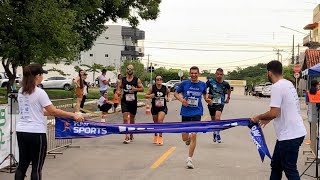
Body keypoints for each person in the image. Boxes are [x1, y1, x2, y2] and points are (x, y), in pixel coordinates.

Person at [15, 64, 84, 180]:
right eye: (42, 74)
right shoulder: (39, 92)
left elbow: (40, 111)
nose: (42, 77)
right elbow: (53, 111)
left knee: (22, 165)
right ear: (37, 76)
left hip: (22, 131)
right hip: (36, 133)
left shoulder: (21, 91)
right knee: (36, 167)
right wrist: (73, 115)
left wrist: (67, 115)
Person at [251, 60, 306, 180]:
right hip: (291, 134)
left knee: (289, 169)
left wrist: (258, 117)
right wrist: (269, 118)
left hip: (290, 135)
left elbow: (273, 113)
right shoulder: (288, 83)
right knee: (276, 165)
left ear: (269, 73)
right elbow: (284, 107)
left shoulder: (276, 87)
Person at [174, 66, 211, 169]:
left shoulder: (202, 85)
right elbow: (175, 93)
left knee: (194, 134)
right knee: (184, 138)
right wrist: (182, 100)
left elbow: (205, 95)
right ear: (190, 74)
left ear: (198, 74)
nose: (194, 75)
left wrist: (207, 100)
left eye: (195, 73)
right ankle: (188, 137)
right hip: (185, 112)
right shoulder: (184, 83)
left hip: (197, 112)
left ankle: (189, 159)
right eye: (192, 73)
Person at [117, 64, 144, 144]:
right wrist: (118, 92)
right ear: (126, 70)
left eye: (131, 69)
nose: (129, 70)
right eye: (128, 69)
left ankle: (131, 133)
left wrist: (135, 89)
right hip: (124, 101)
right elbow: (119, 87)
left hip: (133, 101)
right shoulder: (123, 79)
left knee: (132, 119)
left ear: (133, 71)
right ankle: (126, 136)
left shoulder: (136, 80)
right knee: (125, 119)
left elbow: (142, 89)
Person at [206, 68, 231, 143]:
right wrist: (207, 96)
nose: (219, 76)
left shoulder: (225, 84)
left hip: (220, 102)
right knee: (213, 120)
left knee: (217, 118)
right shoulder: (210, 81)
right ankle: (214, 131)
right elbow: (204, 89)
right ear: (215, 74)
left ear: (223, 75)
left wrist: (228, 98)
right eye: (218, 74)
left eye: (221, 74)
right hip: (211, 103)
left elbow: (229, 89)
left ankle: (218, 133)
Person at [145, 75, 170, 145]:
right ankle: (155, 135)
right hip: (155, 107)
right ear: (155, 81)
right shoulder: (152, 88)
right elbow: (145, 95)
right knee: (155, 122)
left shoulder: (165, 87)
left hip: (163, 107)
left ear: (162, 80)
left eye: (160, 79)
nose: (159, 80)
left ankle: (160, 137)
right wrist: (150, 96)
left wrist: (168, 98)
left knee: (160, 121)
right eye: (157, 79)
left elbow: (168, 92)